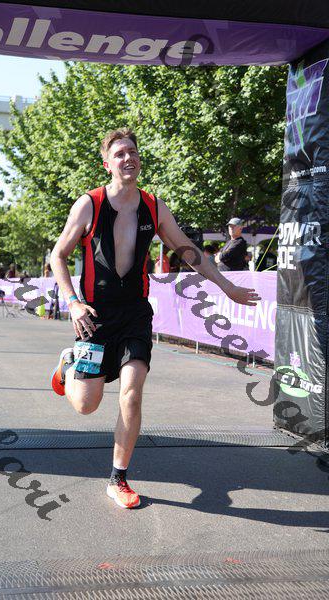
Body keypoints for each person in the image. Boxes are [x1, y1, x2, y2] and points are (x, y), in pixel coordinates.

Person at [50, 128, 261, 509]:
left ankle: (118, 478)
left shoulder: (153, 207)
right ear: (107, 163)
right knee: (85, 404)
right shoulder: (89, 204)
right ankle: (68, 367)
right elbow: (58, 256)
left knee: (132, 392)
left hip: (135, 313)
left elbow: (188, 251)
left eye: (132, 151)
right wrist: (73, 302)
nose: (127, 158)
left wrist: (227, 287)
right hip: (95, 316)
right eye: (119, 154)